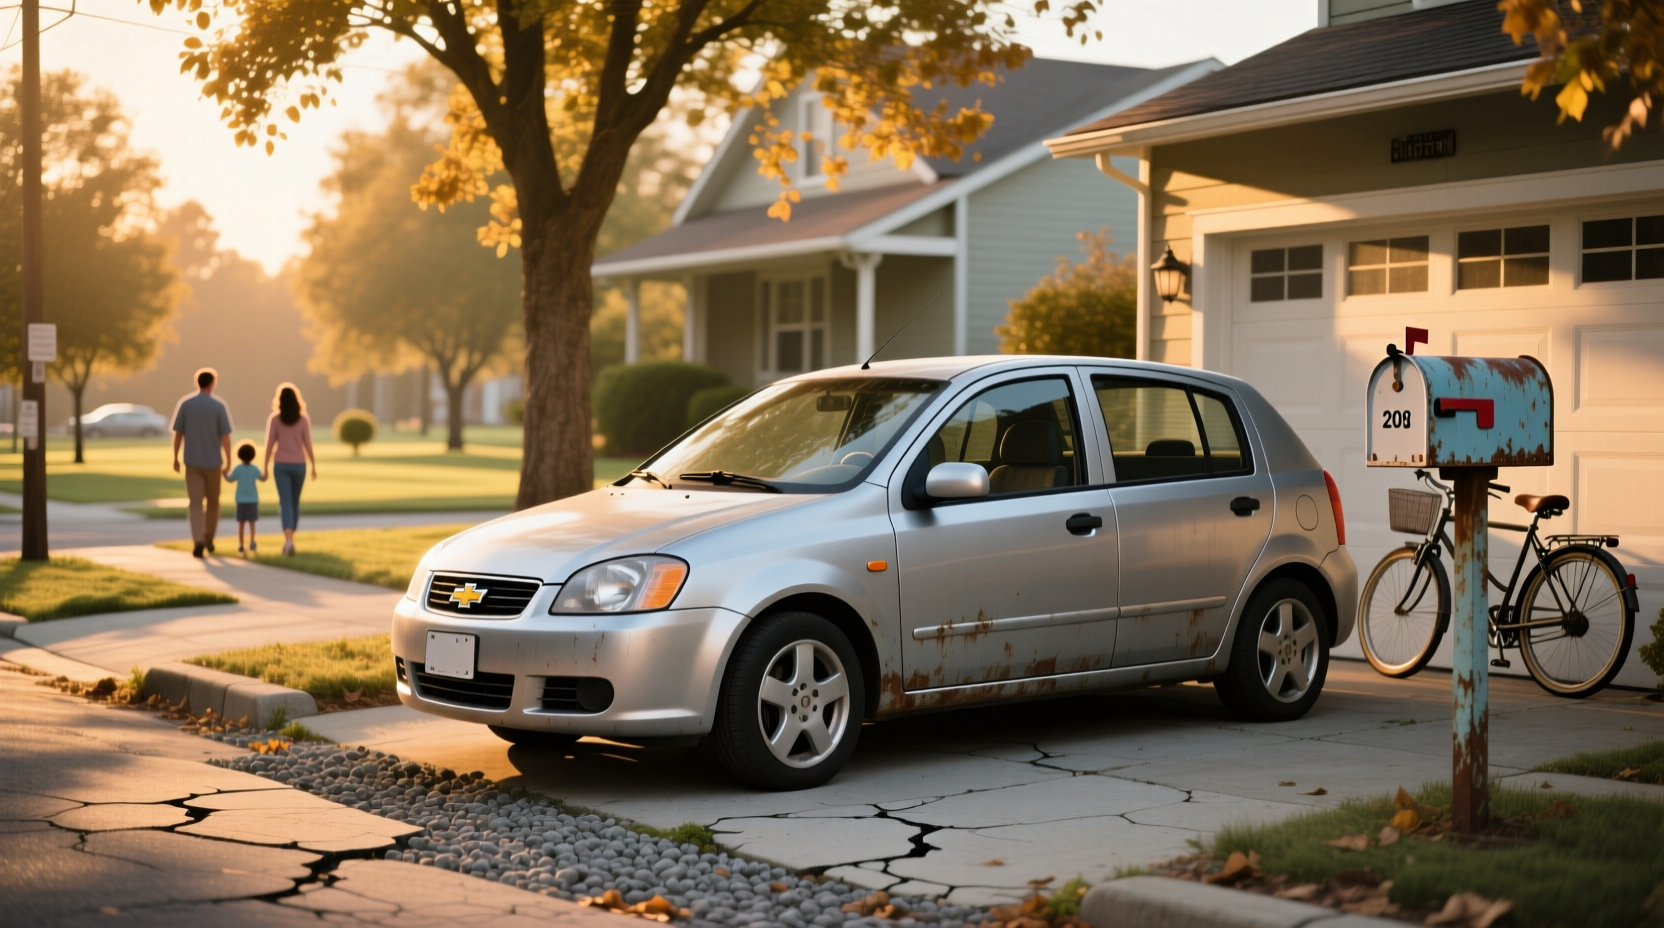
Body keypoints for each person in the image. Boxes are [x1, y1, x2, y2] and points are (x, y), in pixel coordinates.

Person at [171, 368, 234, 558]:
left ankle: (198, 539)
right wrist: (229, 460)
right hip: (213, 463)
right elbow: (225, 437)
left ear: (197, 382)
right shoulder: (219, 406)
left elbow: (178, 434)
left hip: (192, 462)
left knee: (195, 503)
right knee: (213, 502)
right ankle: (209, 538)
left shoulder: (186, 404)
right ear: (213, 383)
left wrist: (175, 457)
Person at [262, 383, 317, 556]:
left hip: (281, 465)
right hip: (299, 465)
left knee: (285, 502)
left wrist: (265, 467)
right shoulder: (303, 419)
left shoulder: (275, 419)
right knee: (294, 502)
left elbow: (269, 445)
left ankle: (288, 541)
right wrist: (313, 465)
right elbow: (308, 444)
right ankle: (291, 539)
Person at [226, 441, 264, 556]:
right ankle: (252, 541)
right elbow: (262, 478)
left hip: (241, 500)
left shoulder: (238, 468)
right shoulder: (255, 469)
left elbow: (230, 479)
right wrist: (266, 472)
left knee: (241, 523)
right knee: (252, 522)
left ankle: (241, 544)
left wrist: (223, 473)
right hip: (252, 499)